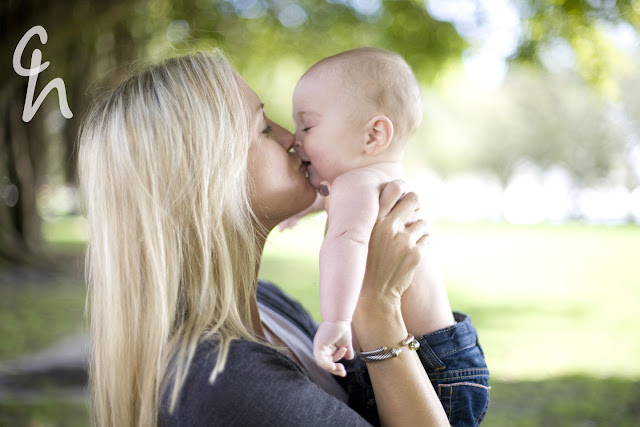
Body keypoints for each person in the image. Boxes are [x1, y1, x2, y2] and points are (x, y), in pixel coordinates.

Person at [78, 49, 490, 426]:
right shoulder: (226, 379)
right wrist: (377, 310)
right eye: (263, 128)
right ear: (208, 179)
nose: (292, 138)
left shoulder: (269, 305)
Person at [290, 47, 456, 376]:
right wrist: (304, 207)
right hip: (441, 355)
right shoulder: (376, 180)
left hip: (422, 364)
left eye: (307, 127)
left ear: (373, 135)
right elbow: (336, 201)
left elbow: (346, 241)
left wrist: (335, 320)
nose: (295, 140)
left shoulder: (356, 183)